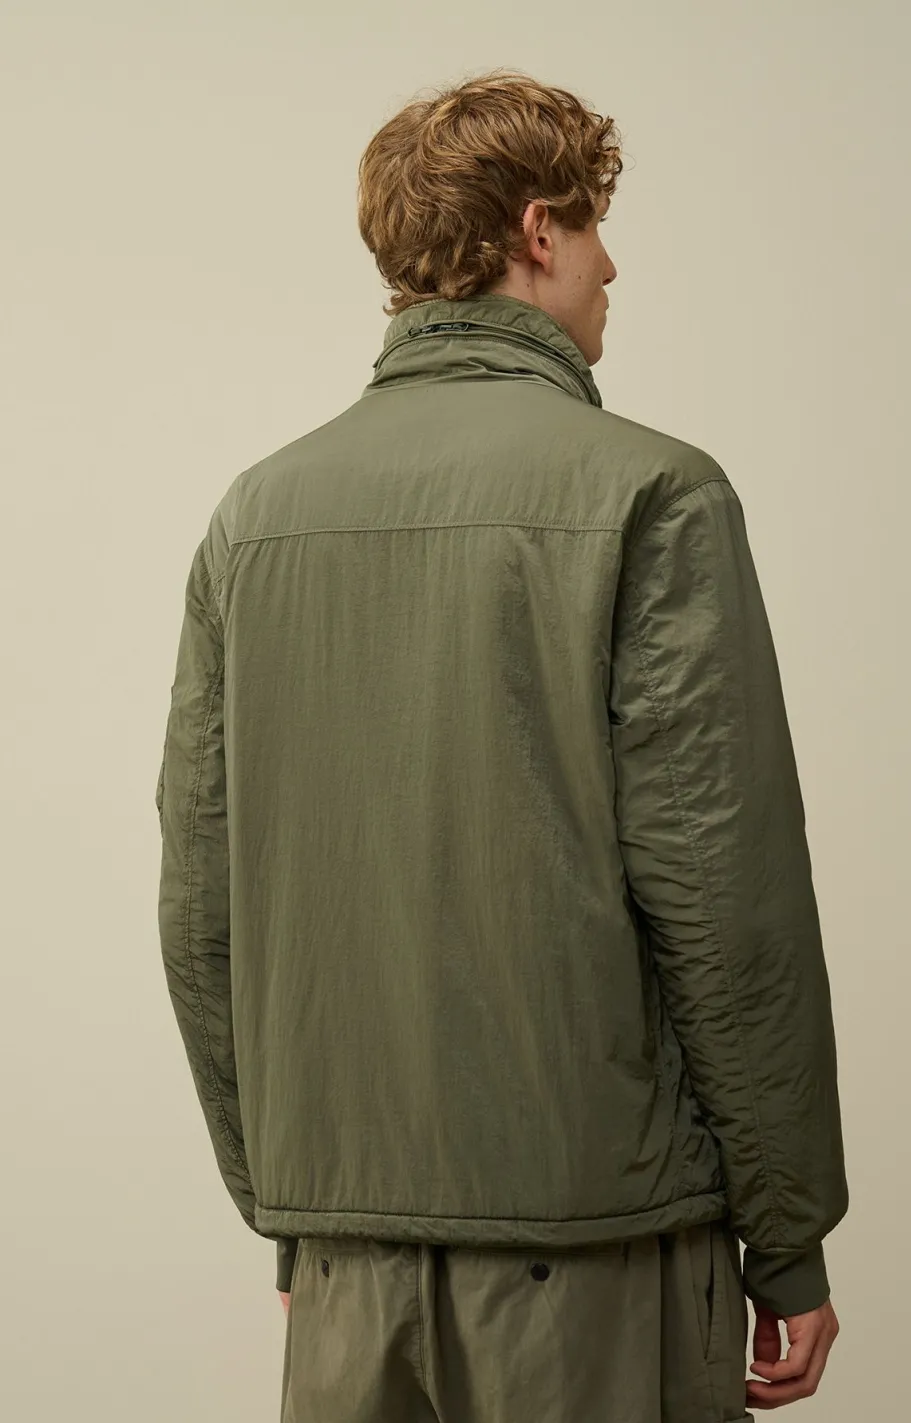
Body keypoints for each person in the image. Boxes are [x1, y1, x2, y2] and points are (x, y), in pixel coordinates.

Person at [155, 69, 848, 1422]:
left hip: (347, 1271)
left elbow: (200, 909)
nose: (610, 268)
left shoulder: (257, 516)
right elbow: (724, 901)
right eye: (593, 229)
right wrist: (791, 1231)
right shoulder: (655, 491)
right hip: (598, 1260)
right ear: (539, 231)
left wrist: (294, 1205)